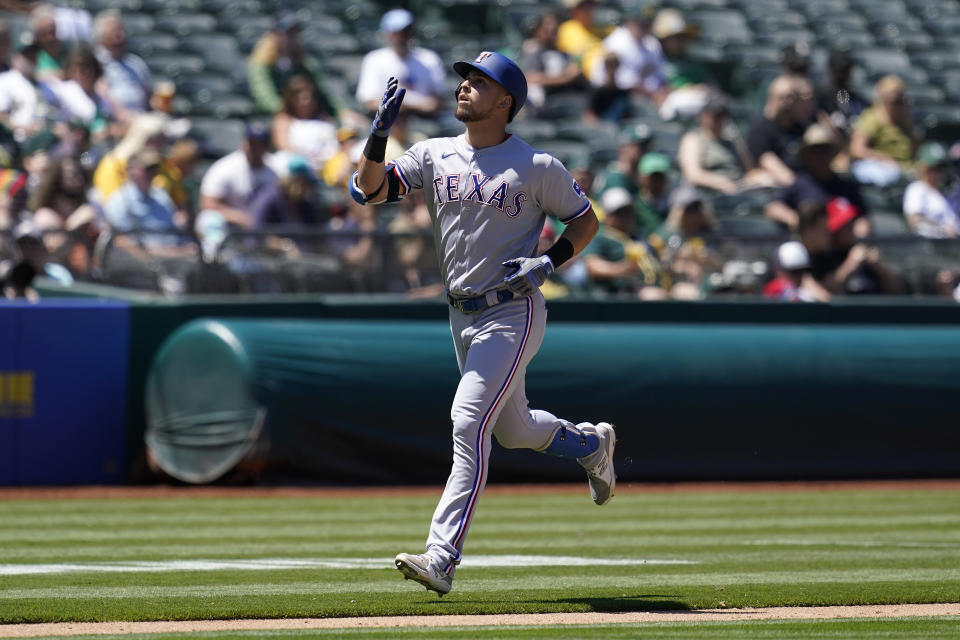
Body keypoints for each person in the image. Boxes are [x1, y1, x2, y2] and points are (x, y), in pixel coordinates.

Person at [351, 52, 614, 596]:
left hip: (511, 310)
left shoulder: (536, 165)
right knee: (514, 430)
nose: (465, 87)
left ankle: (442, 557)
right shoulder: (432, 152)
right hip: (460, 312)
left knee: (468, 422)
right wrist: (378, 135)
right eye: (464, 79)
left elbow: (586, 220)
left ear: (505, 101)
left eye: (479, 82)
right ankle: (590, 445)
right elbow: (369, 190)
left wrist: (551, 260)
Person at [764, 123, 869, 234]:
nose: (821, 156)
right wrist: (800, 222)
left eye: (825, 150)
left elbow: (863, 218)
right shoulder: (799, 184)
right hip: (810, 246)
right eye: (816, 151)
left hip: (842, 245)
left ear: (833, 153)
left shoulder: (846, 187)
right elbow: (773, 208)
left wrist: (859, 239)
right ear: (806, 155)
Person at [195, 121, 279, 258]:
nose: (252, 148)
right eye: (251, 142)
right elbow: (207, 204)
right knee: (209, 219)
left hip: (262, 226)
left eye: (258, 144)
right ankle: (211, 260)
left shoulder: (274, 169)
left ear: (265, 147)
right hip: (231, 226)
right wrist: (238, 217)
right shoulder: (226, 167)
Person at [247, 13, 342, 120]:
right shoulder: (262, 65)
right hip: (274, 117)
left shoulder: (305, 64)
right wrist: (291, 112)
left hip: (303, 115)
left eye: (294, 33)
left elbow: (322, 94)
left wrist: (342, 112)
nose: (290, 37)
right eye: (286, 33)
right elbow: (265, 98)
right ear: (274, 34)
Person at [355, 9, 446, 119]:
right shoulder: (374, 59)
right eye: (397, 31)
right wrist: (411, 105)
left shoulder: (429, 58)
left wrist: (404, 105)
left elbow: (438, 102)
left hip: (425, 121)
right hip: (388, 121)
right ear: (387, 33)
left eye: (406, 30)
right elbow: (370, 102)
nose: (402, 36)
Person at [677, 94, 771, 195]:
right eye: (715, 115)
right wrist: (720, 182)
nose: (719, 119)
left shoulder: (732, 140)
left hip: (739, 190)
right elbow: (693, 174)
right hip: (710, 194)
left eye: (722, 115)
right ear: (703, 115)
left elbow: (750, 172)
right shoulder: (694, 139)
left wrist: (762, 178)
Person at [582, 186, 663, 296]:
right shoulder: (600, 237)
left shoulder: (640, 237)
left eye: (628, 211)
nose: (626, 217)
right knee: (654, 295)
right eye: (619, 213)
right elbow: (592, 266)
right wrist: (621, 269)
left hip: (654, 287)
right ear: (607, 216)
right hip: (620, 292)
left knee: (686, 292)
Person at [849, 75, 918, 186]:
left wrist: (910, 127)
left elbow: (915, 151)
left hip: (907, 170)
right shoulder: (872, 118)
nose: (900, 105)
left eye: (902, 101)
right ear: (884, 100)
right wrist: (882, 158)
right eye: (895, 102)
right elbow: (856, 149)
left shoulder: (906, 119)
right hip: (884, 171)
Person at [590, 7, 665, 105]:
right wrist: (655, 95)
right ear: (629, 22)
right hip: (614, 97)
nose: (645, 27)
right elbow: (624, 83)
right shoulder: (616, 43)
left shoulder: (652, 43)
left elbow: (661, 77)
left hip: (649, 96)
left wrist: (664, 93)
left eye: (648, 23)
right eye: (641, 23)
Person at [517, 11, 583, 116]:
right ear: (538, 30)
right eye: (547, 30)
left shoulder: (562, 51)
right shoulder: (533, 47)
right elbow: (530, 77)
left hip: (561, 96)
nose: (551, 34)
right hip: (538, 102)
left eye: (555, 30)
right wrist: (565, 78)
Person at [650, 8, 712, 121]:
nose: (679, 41)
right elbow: (659, 89)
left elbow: (708, 82)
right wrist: (690, 89)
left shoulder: (692, 61)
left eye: (681, 37)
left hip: (698, 104)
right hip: (671, 106)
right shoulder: (656, 59)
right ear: (663, 40)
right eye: (674, 38)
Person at [92, 9, 151, 124]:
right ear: (102, 37)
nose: (121, 35)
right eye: (115, 32)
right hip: (112, 121)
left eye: (121, 30)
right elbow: (100, 92)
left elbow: (148, 96)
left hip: (139, 117)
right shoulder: (95, 62)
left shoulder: (136, 64)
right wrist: (123, 114)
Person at [271, 74, 339, 173]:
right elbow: (283, 144)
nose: (307, 102)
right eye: (302, 98)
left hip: (326, 164)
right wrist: (308, 157)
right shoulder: (283, 119)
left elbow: (334, 144)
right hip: (296, 165)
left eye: (310, 98)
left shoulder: (325, 119)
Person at [746, 75, 803, 186]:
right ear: (770, 99)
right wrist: (802, 187)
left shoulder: (801, 127)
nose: (788, 102)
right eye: (783, 97)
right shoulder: (760, 128)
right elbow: (769, 163)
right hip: (782, 188)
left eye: (792, 97)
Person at [902, 141, 960, 238]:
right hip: (933, 245)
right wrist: (941, 229)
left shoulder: (949, 191)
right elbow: (914, 221)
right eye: (934, 168)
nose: (938, 173)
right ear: (923, 167)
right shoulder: (916, 189)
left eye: (941, 168)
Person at [817, 49, 867, 137]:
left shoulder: (859, 102)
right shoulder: (819, 99)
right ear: (830, 69)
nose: (841, 74)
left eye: (845, 69)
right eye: (838, 69)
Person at [763, 240, 830, 302]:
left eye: (802, 271)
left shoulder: (807, 289)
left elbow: (826, 301)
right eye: (793, 271)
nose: (799, 275)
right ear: (779, 271)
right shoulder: (774, 288)